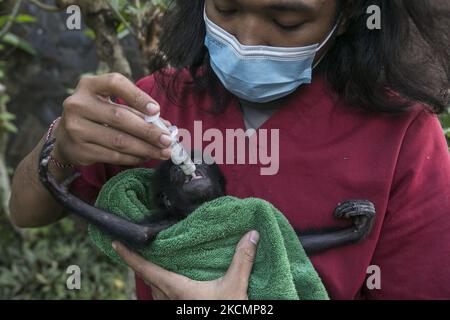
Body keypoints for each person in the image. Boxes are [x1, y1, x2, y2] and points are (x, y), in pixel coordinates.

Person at [9, 0, 450, 299]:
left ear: (351, 11)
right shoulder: (150, 110)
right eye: (226, 7)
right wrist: (60, 145)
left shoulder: (404, 137)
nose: (246, 38)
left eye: (287, 20)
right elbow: (25, 212)